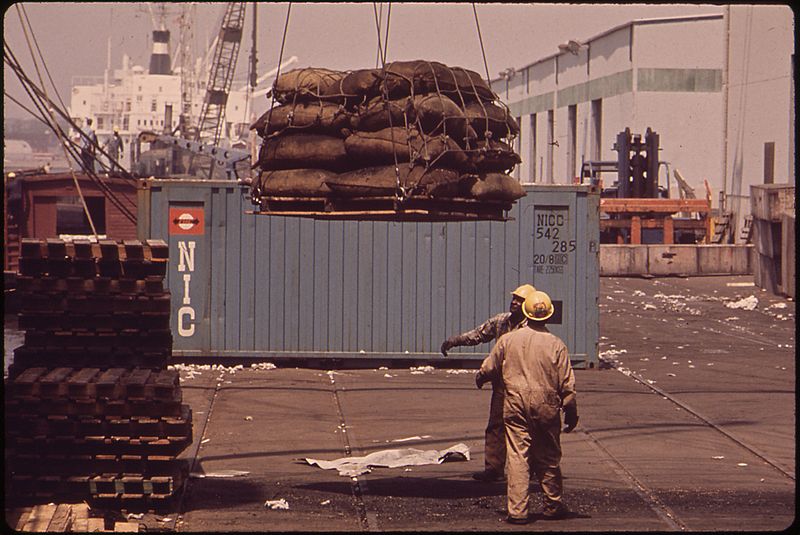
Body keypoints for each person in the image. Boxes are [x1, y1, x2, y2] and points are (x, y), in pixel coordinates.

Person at [475, 290, 579, 525]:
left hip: (515, 403)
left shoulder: (509, 339)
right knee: (549, 455)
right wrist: (571, 411)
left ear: (526, 313)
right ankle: (552, 505)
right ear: (548, 316)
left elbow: (489, 367)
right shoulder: (557, 345)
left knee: (518, 456)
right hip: (547, 404)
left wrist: (480, 377)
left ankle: (518, 511)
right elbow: (567, 384)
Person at [440, 283, 536, 482]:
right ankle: (494, 468)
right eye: (514, 298)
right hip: (502, 384)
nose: (515, 303)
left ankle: (533, 467)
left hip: (526, 383)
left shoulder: (532, 328)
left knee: (528, 427)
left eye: (520, 300)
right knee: (496, 425)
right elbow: (479, 334)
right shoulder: (501, 321)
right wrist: (456, 341)